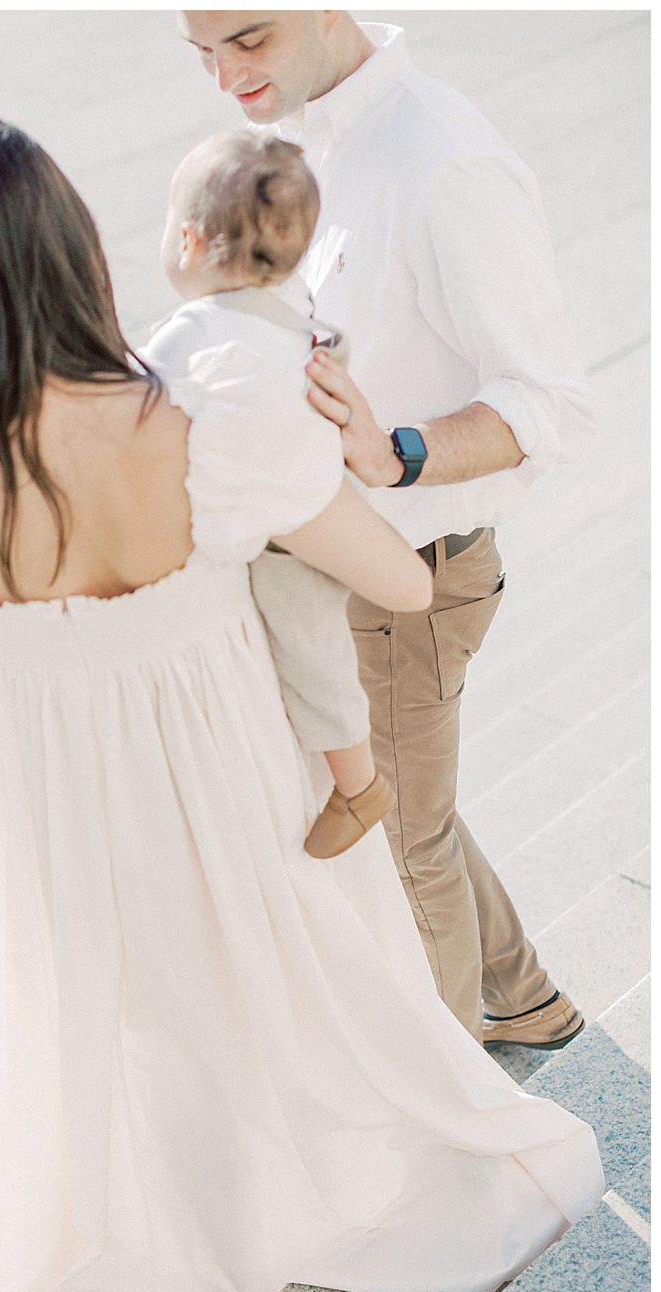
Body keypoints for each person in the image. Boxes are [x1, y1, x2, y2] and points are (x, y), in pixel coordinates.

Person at [0, 118, 603, 1292]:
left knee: (103, 987)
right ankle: (300, 1170)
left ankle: (154, 1207)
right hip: (209, 747)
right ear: (77, 248)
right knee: (275, 959)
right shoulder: (197, 415)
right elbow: (396, 591)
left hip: (38, 767)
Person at [178, 11, 595, 1048]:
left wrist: (394, 447)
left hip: (411, 572)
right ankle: (524, 993)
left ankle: (465, 1140)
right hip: (336, 572)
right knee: (413, 810)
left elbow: (553, 404)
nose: (226, 76)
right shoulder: (299, 135)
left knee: (403, 843)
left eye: (247, 39)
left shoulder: (443, 162)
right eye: (202, 54)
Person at [142, 129, 399, 859]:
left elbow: (142, 398)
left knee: (312, 651)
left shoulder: (196, 331)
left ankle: (359, 787)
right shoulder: (291, 301)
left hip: (283, 528)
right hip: (319, 488)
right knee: (314, 641)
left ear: (189, 240)